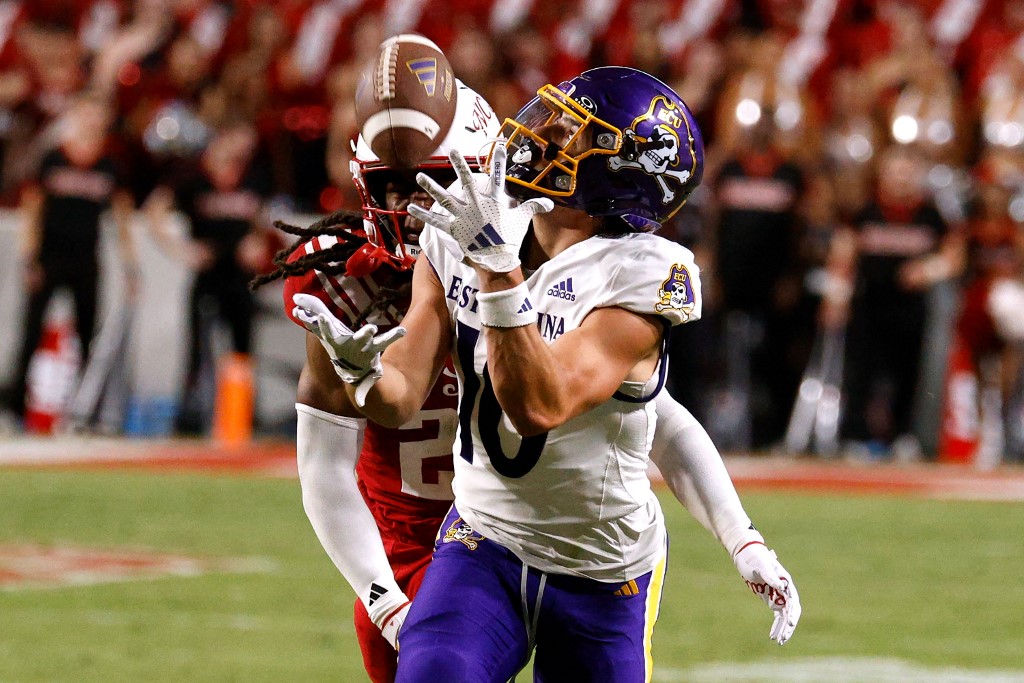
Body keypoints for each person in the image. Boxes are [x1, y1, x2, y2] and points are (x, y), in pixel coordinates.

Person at [294, 66, 800, 682]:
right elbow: (400, 398)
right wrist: (363, 374)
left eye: (572, 131)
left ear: (621, 174)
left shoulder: (643, 276)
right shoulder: (471, 227)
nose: (542, 133)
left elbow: (540, 404)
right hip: (484, 542)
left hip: (602, 572)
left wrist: (741, 539)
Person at [250, 81, 502, 682]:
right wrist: (384, 599)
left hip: (522, 535)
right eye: (392, 183)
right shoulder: (341, 281)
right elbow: (324, 465)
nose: (408, 203)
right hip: (404, 550)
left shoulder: (535, 263)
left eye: (430, 183)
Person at [3, 92, 137, 422]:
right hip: (50, 257)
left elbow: (121, 219)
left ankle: (81, 409)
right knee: (31, 331)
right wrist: (29, 258)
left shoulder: (110, 165)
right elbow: (33, 210)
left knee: (88, 332)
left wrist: (131, 266)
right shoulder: (52, 159)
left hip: (86, 259)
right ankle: (15, 406)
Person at [144, 121, 270, 434]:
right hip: (208, 276)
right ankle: (189, 418)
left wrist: (256, 241)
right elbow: (154, 210)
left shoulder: (252, 178)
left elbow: (262, 220)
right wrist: (181, 249)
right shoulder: (193, 178)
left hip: (241, 279)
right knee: (198, 350)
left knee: (242, 350)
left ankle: (241, 418)